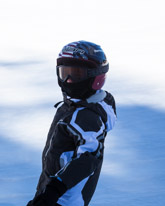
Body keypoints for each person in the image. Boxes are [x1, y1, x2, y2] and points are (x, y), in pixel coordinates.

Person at [27, 40, 117, 206]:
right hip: (53, 191)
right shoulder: (76, 106)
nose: (68, 80)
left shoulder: (86, 116)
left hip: (64, 198)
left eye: (76, 74)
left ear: (95, 76)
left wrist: (53, 191)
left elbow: (88, 158)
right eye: (64, 73)